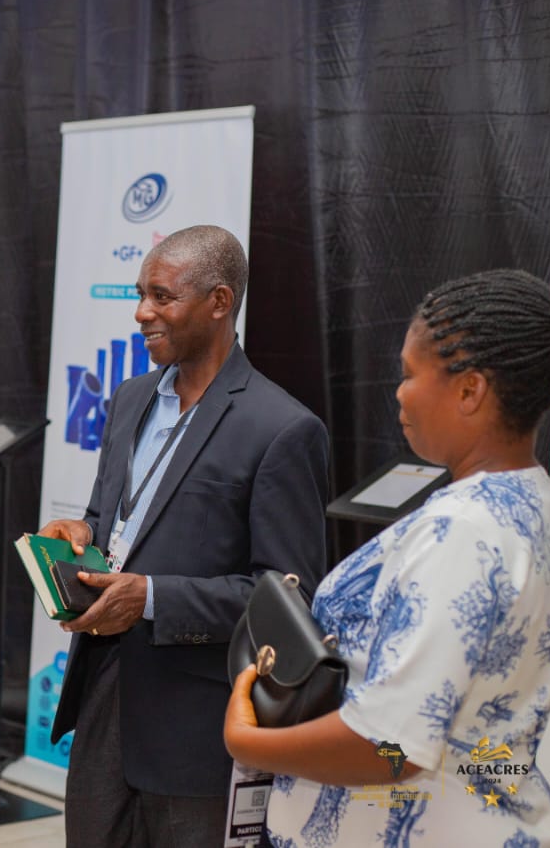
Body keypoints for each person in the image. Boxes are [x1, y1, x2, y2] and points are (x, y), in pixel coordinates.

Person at [224, 269, 550, 847]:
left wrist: (250, 742)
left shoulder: (462, 531)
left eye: (408, 374)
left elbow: (394, 748)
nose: (399, 392)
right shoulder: (544, 504)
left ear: (470, 390)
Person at [40, 225, 330, 847]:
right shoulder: (130, 398)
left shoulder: (282, 428)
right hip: (102, 694)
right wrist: (82, 530)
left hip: (196, 727)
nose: (142, 312)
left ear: (219, 301)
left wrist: (150, 598)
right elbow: (113, 517)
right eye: (140, 295)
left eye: (162, 297)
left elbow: (287, 599)